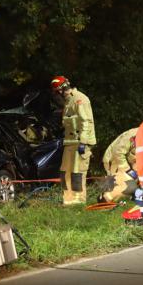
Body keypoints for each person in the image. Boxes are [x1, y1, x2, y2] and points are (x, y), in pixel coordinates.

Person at [51, 76, 96, 206]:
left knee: (78, 172)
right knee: (65, 171)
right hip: (70, 142)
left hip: (80, 142)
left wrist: (83, 142)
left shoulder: (80, 100)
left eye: (57, 92)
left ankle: (78, 200)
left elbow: (86, 121)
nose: (57, 96)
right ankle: (68, 199)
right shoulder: (68, 102)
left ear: (62, 89)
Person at [101, 128, 138, 203]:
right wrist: (128, 170)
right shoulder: (133, 135)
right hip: (115, 160)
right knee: (129, 186)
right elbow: (118, 152)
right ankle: (104, 199)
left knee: (134, 182)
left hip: (128, 161)